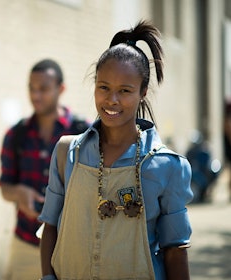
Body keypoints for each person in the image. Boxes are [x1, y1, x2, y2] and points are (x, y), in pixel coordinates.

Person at [39, 21, 193, 280]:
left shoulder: (168, 166)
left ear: (143, 91)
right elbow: (50, 226)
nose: (112, 100)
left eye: (125, 91)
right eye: (104, 87)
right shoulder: (68, 153)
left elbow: (175, 249)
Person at [0, 59, 89, 280]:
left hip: (71, 249)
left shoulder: (84, 133)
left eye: (44, 89)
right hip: (25, 245)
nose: (35, 95)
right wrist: (19, 193)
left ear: (61, 89)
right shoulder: (15, 134)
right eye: (31, 88)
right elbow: (4, 186)